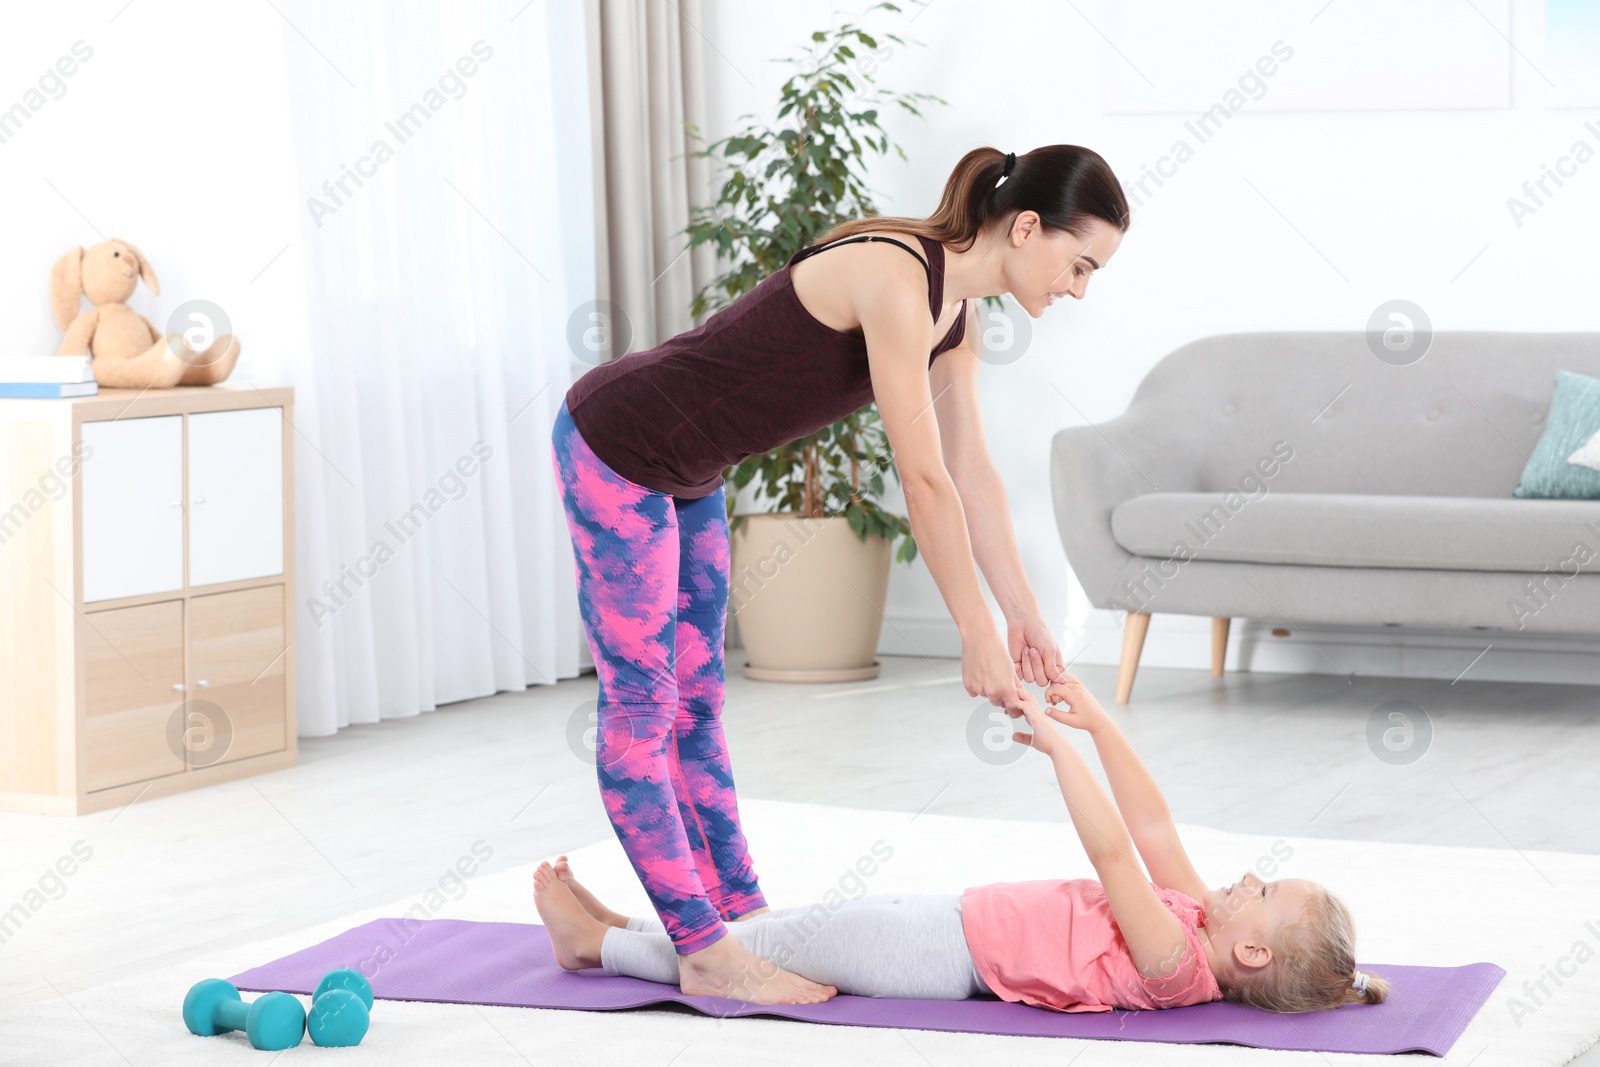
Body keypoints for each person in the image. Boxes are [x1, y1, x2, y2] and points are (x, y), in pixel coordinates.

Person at [549, 144, 1129, 1004]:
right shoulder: (899, 278)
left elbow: (973, 472)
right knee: (643, 707)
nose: (1079, 288)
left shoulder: (956, 318)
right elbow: (922, 477)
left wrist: (1023, 614)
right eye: (1079, 264)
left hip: (693, 470)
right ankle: (705, 949)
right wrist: (973, 627)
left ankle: (744, 919)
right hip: (617, 441)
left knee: (699, 704)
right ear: (1029, 226)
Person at [534, 674, 1390, 1014]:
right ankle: (622, 930)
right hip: (951, 920)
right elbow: (1155, 825)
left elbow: (1118, 856)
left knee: (760, 949)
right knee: (783, 928)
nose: (1246, 878)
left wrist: (1059, 752)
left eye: (1265, 889)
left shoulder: (1177, 962)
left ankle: (596, 947)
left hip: (945, 956)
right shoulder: (1205, 919)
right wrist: (1096, 723)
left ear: (1249, 949)